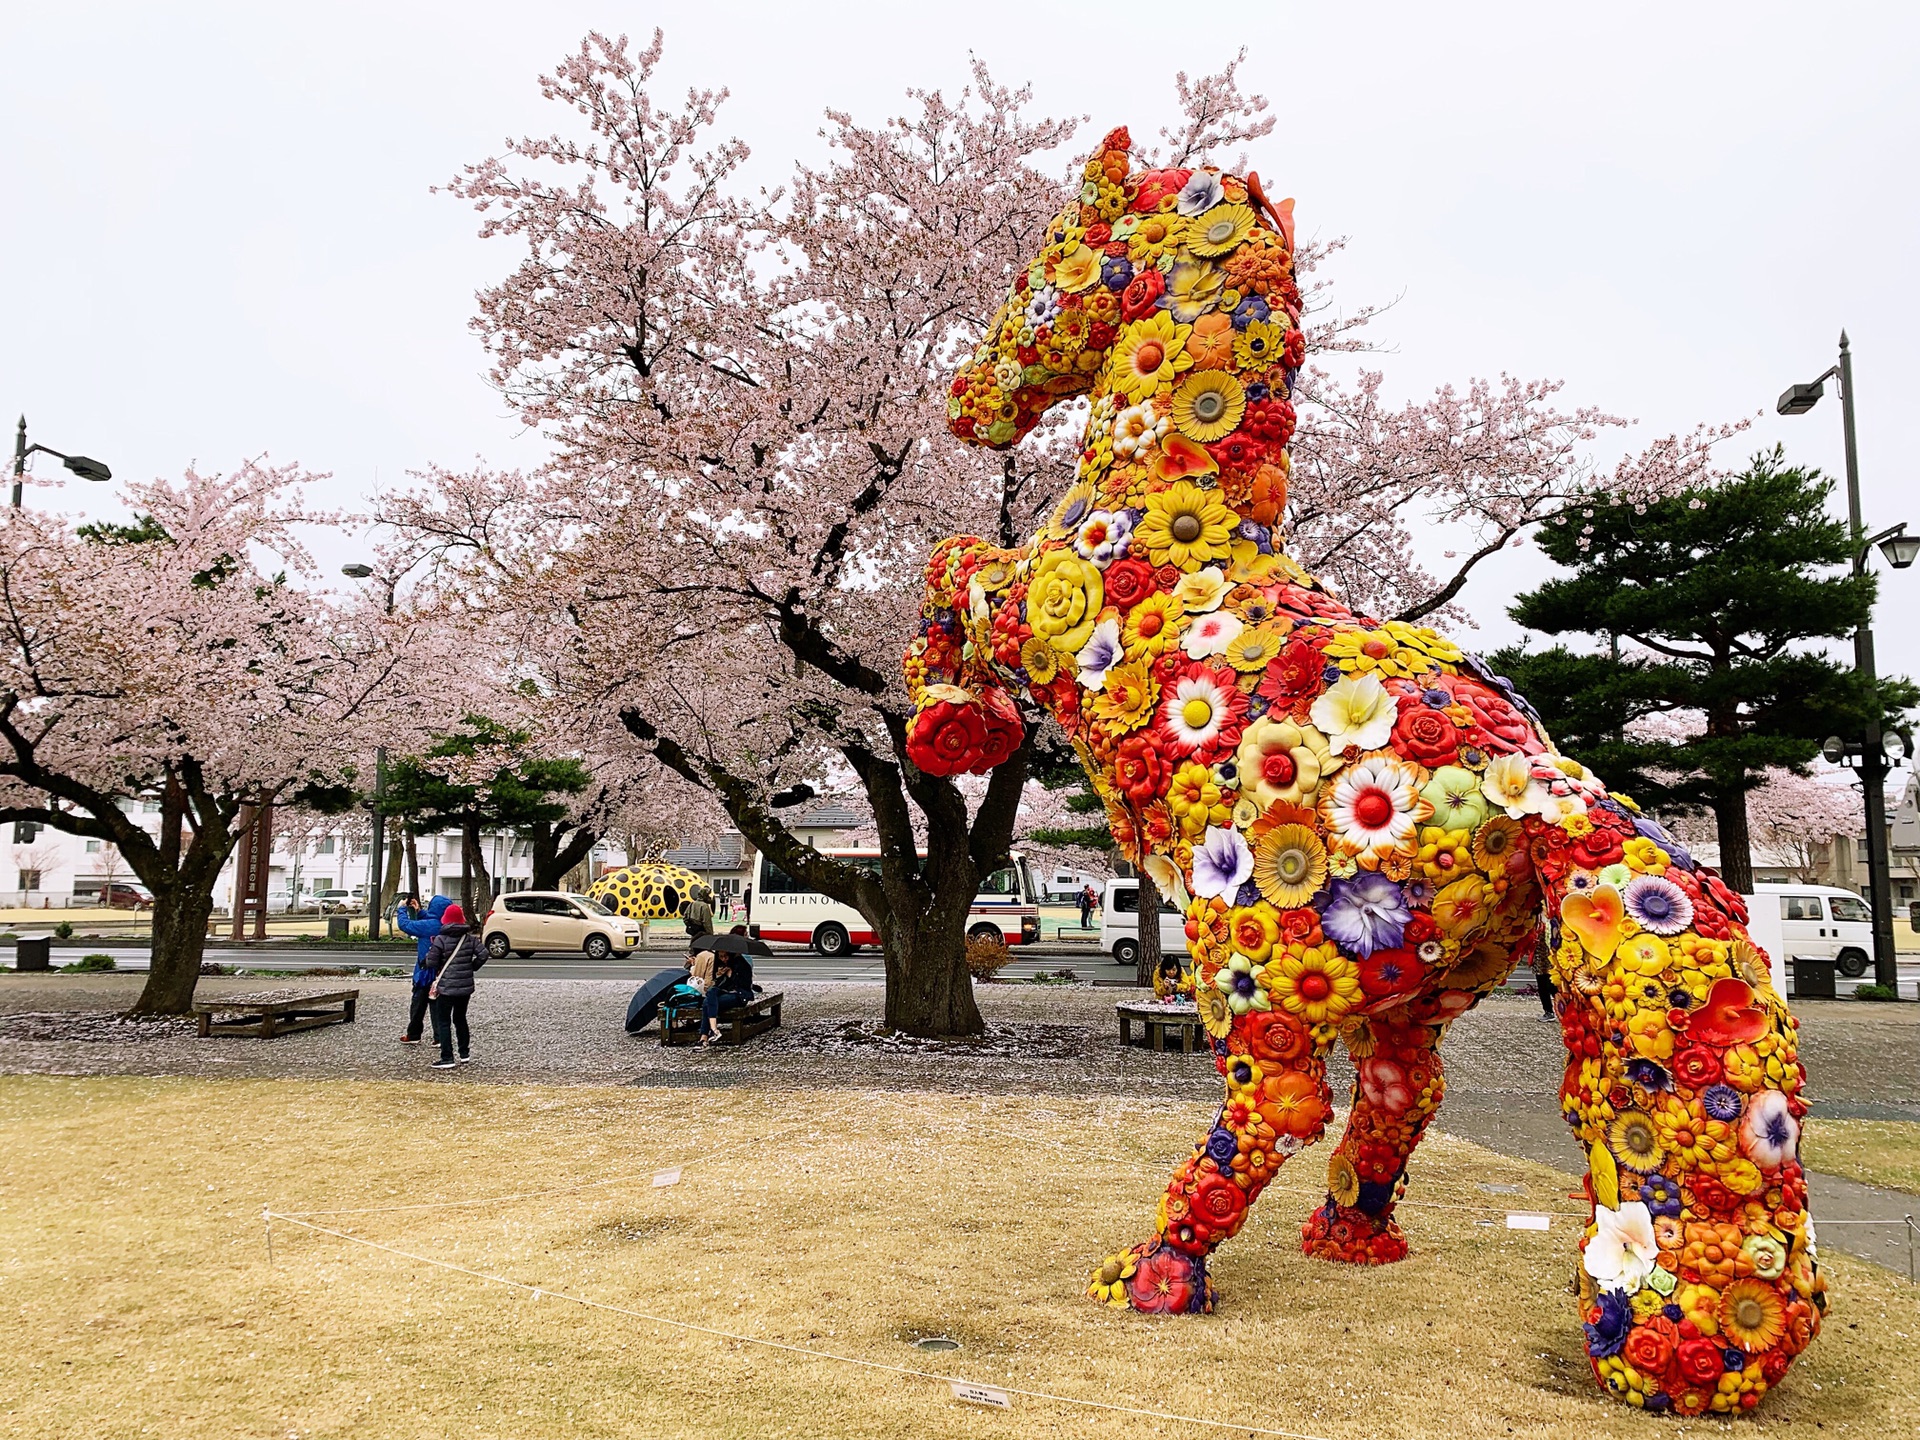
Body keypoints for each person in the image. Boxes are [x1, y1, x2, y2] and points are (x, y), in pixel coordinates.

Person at [422, 902, 487, 1069]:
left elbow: (431, 961)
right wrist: (472, 967)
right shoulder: (469, 939)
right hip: (465, 987)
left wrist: (431, 963)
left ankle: (447, 1057)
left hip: (446, 987)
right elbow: (484, 954)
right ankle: (464, 1054)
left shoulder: (440, 940)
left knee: (444, 1021)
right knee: (460, 1019)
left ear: (445, 920)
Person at [394, 894, 451, 1044]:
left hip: (424, 972)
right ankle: (439, 1038)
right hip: (441, 972)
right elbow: (433, 919)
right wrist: (419, 912)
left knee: (418, 1004)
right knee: (437, 1005)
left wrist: (401, 909)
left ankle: (413, 1034)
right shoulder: (445, 925)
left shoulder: (428, 926)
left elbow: (405, 925)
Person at [702, 949, 753, 1044]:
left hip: (739, 995)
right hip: (724, 993)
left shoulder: (741, 964)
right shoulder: (720, 965)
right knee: (711, 993)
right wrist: (718, 977)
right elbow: (716, 986)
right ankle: (713, 1030)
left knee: (706, 1003)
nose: (724, 959)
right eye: (721, 956)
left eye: (726, 956)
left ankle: (705, 1036)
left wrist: (731, 975)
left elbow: (745, 985)